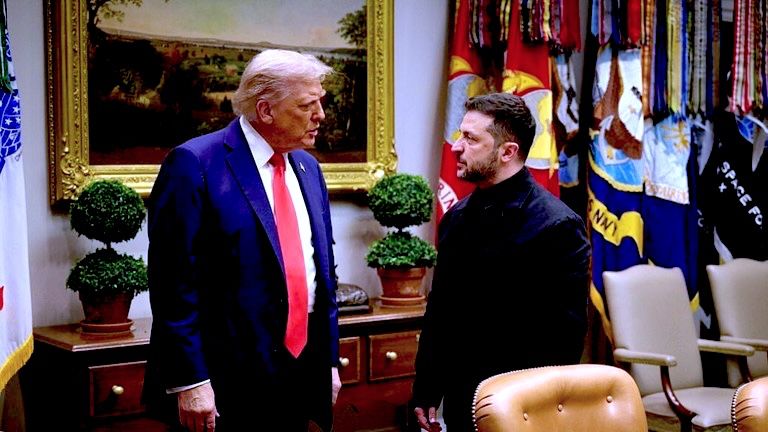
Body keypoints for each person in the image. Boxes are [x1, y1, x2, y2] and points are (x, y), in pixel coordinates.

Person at [144, 49, 341, 432]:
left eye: (321, 101)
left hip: (298, 375)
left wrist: (329, 361)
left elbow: (323, 275)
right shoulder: (194, 163)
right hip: (224, 383)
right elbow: (172, 285)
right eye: (307, 105)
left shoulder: (308, 167)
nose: (320, 115)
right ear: (266, 110)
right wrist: (190, 381)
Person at [411, 93, 591, 432]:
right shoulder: (456, 219)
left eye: (470, 138)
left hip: (527, 404)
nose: (456, 147)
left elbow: (564, 338)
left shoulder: (558, 226)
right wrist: (427, 386)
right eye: (460, 135)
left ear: (507, 151)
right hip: (464, 399)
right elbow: (441, 312)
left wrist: (528, 407)